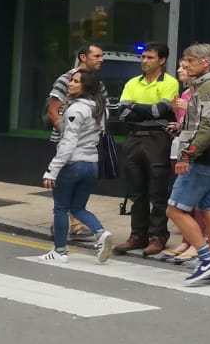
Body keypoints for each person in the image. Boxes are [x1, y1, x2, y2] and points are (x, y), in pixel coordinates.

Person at [164, 44, 210, 285]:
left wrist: (186, 155)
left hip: (207, 158)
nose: (184, 65)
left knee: (175, 209)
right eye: (184, 60)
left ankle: (208, 261)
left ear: (207, 63)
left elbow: (206, 129)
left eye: (190, 61)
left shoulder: (208, 87)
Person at [39, 70, 112, 264]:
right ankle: (101, 233)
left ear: (85, 87)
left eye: (76, 82)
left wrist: (52, 171)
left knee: (61, 208)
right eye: (72, 80)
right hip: (92, 165)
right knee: (78, 207)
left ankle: (60, 251)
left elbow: (68, 143)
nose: (70, 84)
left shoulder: (76, 110)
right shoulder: (100, 108)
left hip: (73, 165)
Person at [115, 43, 180, 256]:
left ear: (161, 60)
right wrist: (145, 111)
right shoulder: (133, 82)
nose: (144, 61)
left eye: (149, 57)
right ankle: (137, 235)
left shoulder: (170, 82)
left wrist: (135, 107)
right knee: (136, 191)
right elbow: (122, 112)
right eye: (143, 57)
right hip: (134, 138)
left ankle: (158, 236)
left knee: (158, 191)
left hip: (158, 139)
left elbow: (160, 110)